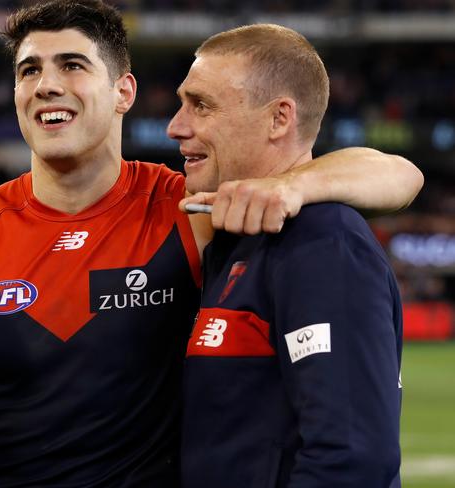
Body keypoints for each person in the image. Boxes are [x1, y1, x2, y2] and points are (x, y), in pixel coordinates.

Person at [0, 2, 422, 487]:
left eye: (72, 65)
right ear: (17, 98)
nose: (47, 84)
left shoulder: (190, 211)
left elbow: (397, 174)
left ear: (124, 92)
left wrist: (293, 187)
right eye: (30, 71)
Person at [170, 24, 408, 487]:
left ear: (280, 119)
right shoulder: (236, 236)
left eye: (201, 105)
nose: (176, 126)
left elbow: (352, 460)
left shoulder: (323, 243)